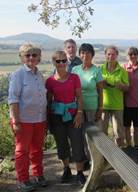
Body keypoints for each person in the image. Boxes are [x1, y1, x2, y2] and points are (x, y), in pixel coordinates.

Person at [8, 44, 47, 192]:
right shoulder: (18, 75)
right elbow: (13, 99)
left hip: (39, 119)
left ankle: (38, 175)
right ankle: (23, 180)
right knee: (22, 151)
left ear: (39, 58)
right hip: (23, 120)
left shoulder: (39, 74)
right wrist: (16, 121)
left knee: (37, 149)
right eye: (27, 55)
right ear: (22, 58)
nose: (31, 58)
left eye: (34, 55)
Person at [46, 51, 87, 186]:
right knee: (61, 144)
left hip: (74, 115)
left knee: (77, 143)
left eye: (64, 61)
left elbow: (80, 97)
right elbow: (49, 101)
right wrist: (48, 120)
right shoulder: (50, 81)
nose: (62, 63)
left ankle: (80, 173)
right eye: (59, 61)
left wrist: (80, 113)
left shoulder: (74, 77)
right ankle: (66, 169)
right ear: (54, 63)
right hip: (57, 116)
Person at [100, 45, 129, 147]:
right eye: (108, 54)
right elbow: (96, 86)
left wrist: (120, 85)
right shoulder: (100, 69)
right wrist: (101, 84)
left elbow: (127, 88)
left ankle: (119, 154)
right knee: (102, 132)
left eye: (113, 54)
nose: (111, 56)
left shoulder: (122, 71)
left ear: (117, 55)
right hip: (103, 105)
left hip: (117, 105)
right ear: (105, 55)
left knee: (119, 133)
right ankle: (104, 155)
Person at [71, 43, 103, 123]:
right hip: (77, 108)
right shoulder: (75, 70)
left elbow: (100, 92)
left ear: (92, 55)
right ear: (79, 54)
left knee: (92, 133)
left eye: (88, 53)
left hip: (92, 108)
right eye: (83, 52)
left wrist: (100, 109)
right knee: (79, 132)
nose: (85, 55)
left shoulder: (96, 71)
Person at [123, 47, 138, 150]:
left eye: (135, 54)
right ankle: (128, 146)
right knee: (126, 127)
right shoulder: (123, 68)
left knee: (137, 128)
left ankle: (136, 146)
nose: (133, 56)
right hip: (125, 104)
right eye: (130, 54)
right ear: (127, 56)